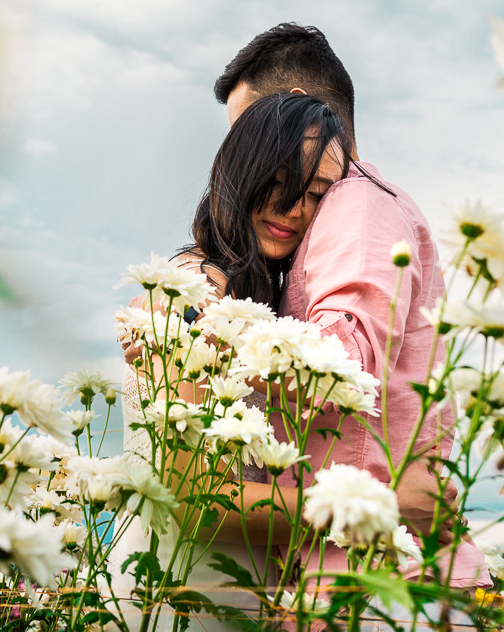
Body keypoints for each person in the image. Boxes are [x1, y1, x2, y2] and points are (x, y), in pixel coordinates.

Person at [213, 23, 493, 600]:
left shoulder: (355, 202)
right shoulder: (342, 210)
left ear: (297, 110)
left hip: (379, 583)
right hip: (357, 573)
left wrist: (196, 332)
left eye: (247, 131)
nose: (243, 159)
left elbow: (339, 363)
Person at [110, 92, 350, 630]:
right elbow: (195, 496)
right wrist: (374, 508)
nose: (294, 209)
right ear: (240, 170)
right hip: (176, 598)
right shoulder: (188, 296)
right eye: (281, 180)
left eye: (317, 194)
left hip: (241, 599)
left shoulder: (260, 302)